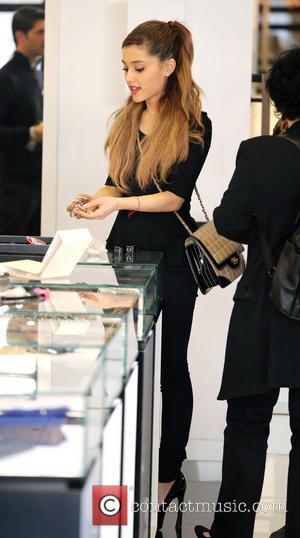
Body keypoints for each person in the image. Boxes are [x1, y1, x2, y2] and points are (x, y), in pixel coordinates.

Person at [67, 19, 212, 536]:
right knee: (120, 367)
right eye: (125, 68)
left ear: (169, 67)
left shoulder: (195, 123)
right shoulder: (127, 119)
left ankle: (169, 474)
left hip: (171, 261)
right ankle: (118, 468)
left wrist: (117, 203)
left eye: (138, 67)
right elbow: (117, 181)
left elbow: (171, 198)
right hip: (122, 255)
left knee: (173, 366)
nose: (129, 77)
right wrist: (97, 198)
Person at [195, 46, 300, 538]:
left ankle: (231, 532)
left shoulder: (262, 153)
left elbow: (232, 223)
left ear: (278, 98)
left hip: (265, 305)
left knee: (247, 427)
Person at [0, 6, 44, 236]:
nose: (45, 38)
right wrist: (31, 134)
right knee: (11, 249)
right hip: (13, 182)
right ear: (20, 35)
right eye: (40, 32)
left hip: (34, 178)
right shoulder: (6, 77)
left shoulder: (36, 74)